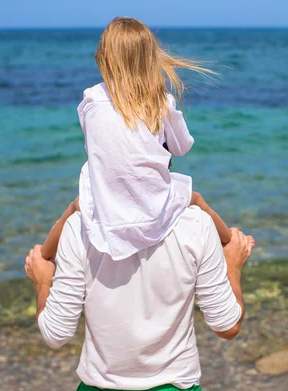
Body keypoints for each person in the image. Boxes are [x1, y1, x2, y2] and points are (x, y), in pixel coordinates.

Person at [40, 16, 232, 261]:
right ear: (150, 58)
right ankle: (229, 242)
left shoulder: (91, 100)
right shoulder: (161, 102)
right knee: (195, 199)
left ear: (104, 58)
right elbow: (182, 148)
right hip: (153, 211)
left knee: (75, 207)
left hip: (106, 208)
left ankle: (43, 256)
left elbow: (95, 148)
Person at [25, 210, 254, 391]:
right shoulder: (195, 223)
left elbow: (56, 334)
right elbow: (227, 326)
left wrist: (44, 282)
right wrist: (232, 267)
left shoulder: (81, 226)